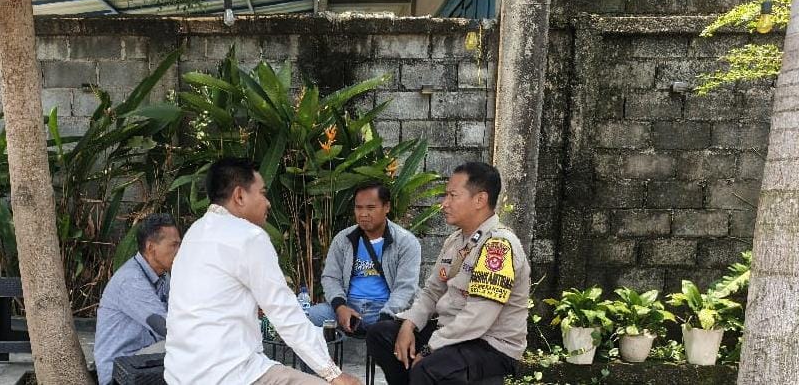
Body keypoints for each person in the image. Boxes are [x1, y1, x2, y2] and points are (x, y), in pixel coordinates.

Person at [164, 157, 360, 385]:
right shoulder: (248, 236)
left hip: (180, 375)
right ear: (239, 196)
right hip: (232, 375)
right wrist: (333, 373)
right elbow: (285, 314)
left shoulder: (194, 233)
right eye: (262, 193)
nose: (267, 203)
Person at [366, 162, 531, 385]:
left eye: (453, 196)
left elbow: (478, 318)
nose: (444, 203)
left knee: (428, 368)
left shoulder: (498, 247)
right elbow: (432, 291)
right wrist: (409, 324)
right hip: (451, 330)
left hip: (490, 343)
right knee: (381, 335)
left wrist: (429, 347)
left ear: (480, 200)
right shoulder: (456, 241)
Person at [308, 182, 421, 335]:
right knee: (310, 316)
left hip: (385, 309)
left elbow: (405, 288)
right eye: (358, 208)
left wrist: (385, 319)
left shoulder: (405, 242)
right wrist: (340, 307)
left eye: (371, 208)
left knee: (399, 329)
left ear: (387, 207)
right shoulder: (343, 239)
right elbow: (330, 277)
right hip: (348, 306)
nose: (363, 214)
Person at [94, 213, 181, 385]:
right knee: (189, 349)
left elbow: (180, 313)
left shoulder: (163, 277)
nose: (179, 251)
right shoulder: (131, 280)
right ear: (151, 247)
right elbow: (165, 326)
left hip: (143, 361)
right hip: (120, 374)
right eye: (174, 245)